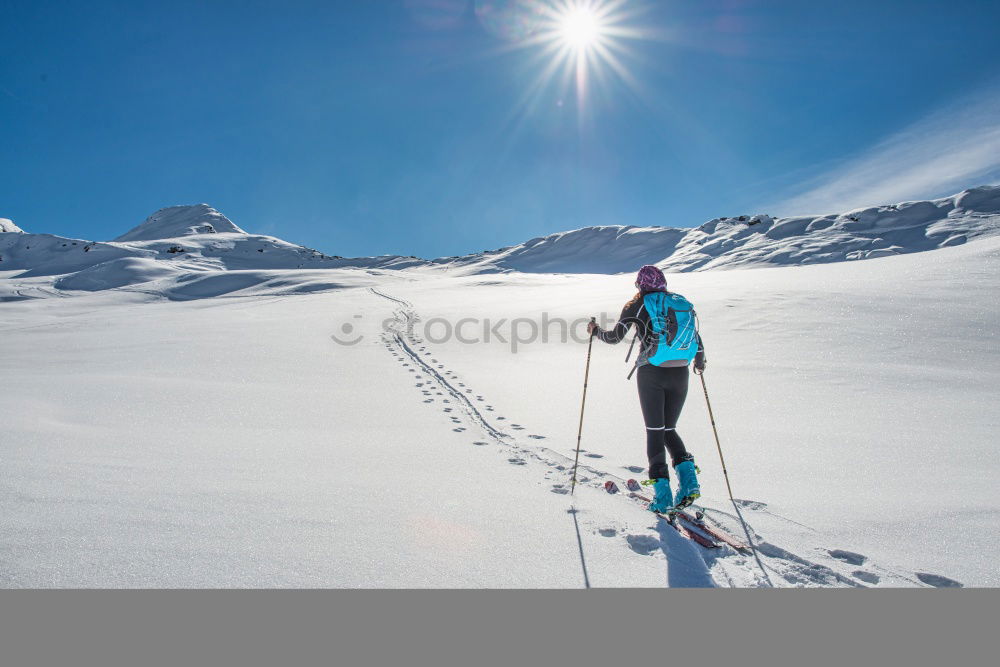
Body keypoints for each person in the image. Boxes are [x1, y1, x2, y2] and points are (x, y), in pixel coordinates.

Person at [587, 265, 706, 513]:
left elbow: (615, 338)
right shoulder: (678, 302)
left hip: (652, 372)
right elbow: (695, 336)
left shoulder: (637, 305)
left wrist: (595, 331)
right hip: (681, 371)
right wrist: (699, 361)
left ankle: (662, 497)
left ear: (640, 285)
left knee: (655, 432)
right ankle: (689, 484)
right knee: (669, 429)